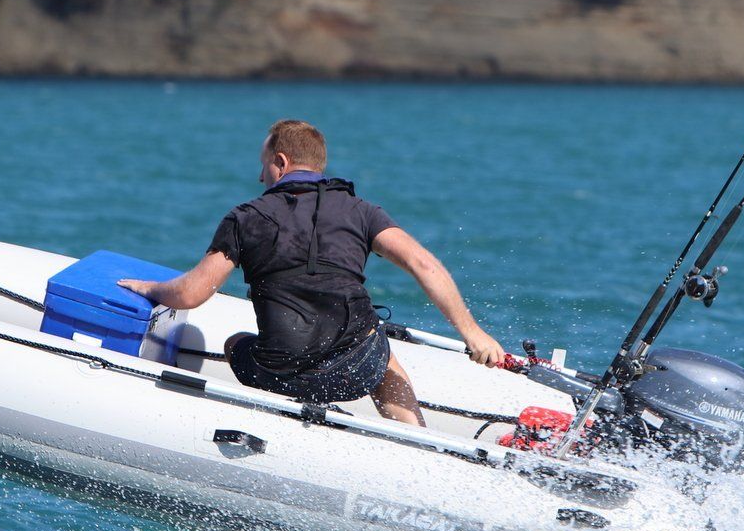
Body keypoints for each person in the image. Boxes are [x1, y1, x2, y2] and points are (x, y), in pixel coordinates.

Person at [118, 119, 505, 426]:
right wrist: (473, 333)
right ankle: (418, 444)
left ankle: (279, 428)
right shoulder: (362, 211)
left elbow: (190, 294)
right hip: (354, 371)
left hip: (276, 372)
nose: (260, 177)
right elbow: (423, 263)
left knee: (236, 342)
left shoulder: (246, 218)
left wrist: (149, 287)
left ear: (281, 162)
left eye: (264, 165)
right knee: (382, 352)